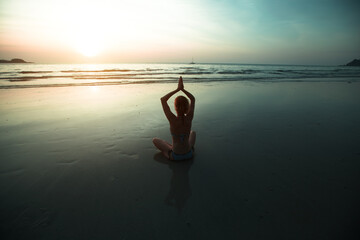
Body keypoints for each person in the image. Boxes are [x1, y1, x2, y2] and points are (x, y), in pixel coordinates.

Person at [153, 76, 196, 161]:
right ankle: (172, 149)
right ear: (187, 107)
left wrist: (177, 89)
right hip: (189, 154)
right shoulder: (189, 117)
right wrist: (183, 89)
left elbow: (163, 99)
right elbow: (193, 99)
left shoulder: (172, 119)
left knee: (155, 140)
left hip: (176, 156)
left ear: (175, 107)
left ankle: (167, 152)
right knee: (193, 133)